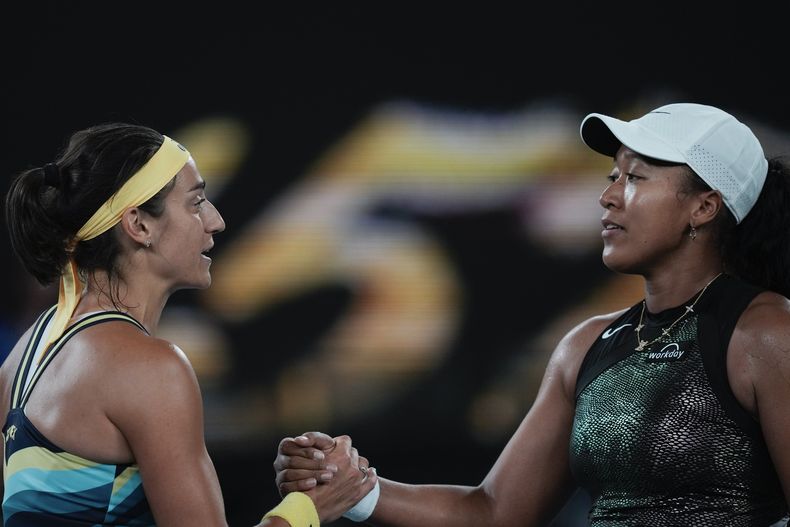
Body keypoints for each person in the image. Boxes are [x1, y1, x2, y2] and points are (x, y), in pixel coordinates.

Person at [273, 103, 790, 526]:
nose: (608, 196)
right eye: (613, 175)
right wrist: (353, 486)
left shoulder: (766, 333)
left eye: (636, 177)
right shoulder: (588, 344)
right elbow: (494, 513)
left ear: (704, 207)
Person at [1, 122, 376, 526]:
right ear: (139, 225)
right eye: (196, 203)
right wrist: (312, 509)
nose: (216, 221)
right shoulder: (151, 367)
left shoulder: (25, 352)